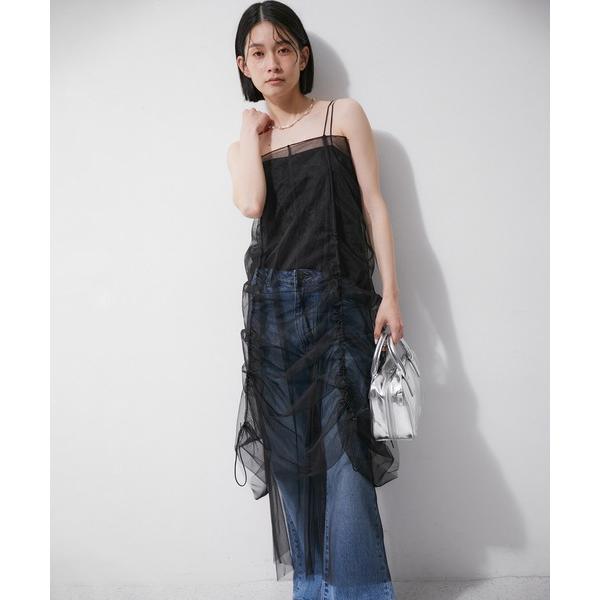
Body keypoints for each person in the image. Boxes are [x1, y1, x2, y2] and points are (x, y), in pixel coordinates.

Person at [227, 2, 405, 598]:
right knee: (290, 457)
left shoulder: (341, 115)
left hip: (339, 300)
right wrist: (249, 131)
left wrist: (391, 295)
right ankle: (311, 588)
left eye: (283, 48)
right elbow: (252, 205)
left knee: (344, 452)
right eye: (258, 53)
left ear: (303, 55)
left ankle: (357, 592)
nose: (272, 63)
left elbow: (374, 203)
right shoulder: (244, 146)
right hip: (273, 308)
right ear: (243, 65)